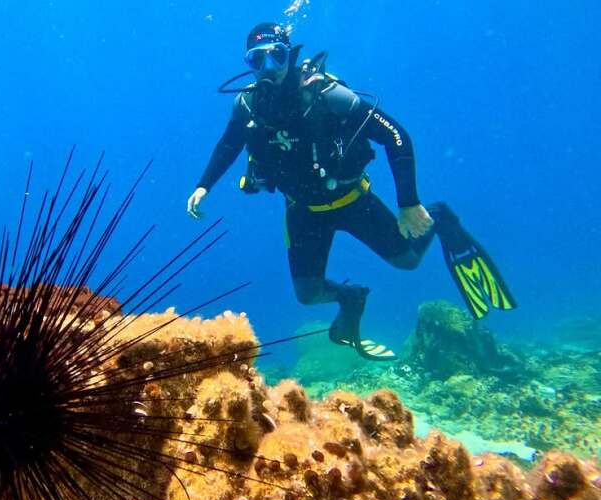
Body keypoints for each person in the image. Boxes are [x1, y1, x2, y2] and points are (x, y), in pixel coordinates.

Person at [187, 22, 515, 359]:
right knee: (308, 293)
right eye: (258, 60)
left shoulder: (324, 94)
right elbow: (228, 145)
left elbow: (395, 135)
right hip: (303, 211)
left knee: (407, 260)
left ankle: (440, 218)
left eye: (277, 56)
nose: (269, 67)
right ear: (249, 64)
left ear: (290, 55)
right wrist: (203, 186)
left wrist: (409, 202)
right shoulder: (247, 105)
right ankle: (350, 297)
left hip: (352, 199)